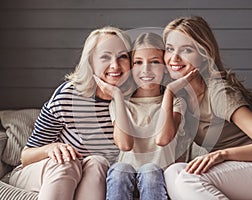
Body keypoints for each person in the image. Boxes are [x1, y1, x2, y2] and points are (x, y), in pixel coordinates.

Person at [163, 16, 252, 200]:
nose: (174, 58)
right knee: (173, 172)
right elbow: (166, 143)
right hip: (242, 168)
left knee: (188, 180)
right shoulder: (183, 99)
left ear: (205, 55)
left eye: (186, 50)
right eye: (169, 49)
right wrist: (169, 92)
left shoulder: (218, 92)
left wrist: (222, 155)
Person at [8, 26, 132, 200]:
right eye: (105, 56)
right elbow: (26, 156)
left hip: (90, 174)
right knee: (67, 163)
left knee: (98, 163)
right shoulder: (68, 96)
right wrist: (52, 148)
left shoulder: (134, 101)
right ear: (90, 61)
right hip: (47, 171)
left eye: (123, 56)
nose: (115, 65)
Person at [95, 32, 190, 200]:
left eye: (154, 62)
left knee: (150, 170)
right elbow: (124, 144)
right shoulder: (120, 104)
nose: (146, 69)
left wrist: (169, 91)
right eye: (138, 62)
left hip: (158, 182)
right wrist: (117, 95)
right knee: (118, 170)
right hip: (124, 180)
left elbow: (163, 139)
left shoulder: (176, 103)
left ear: (165, 68)